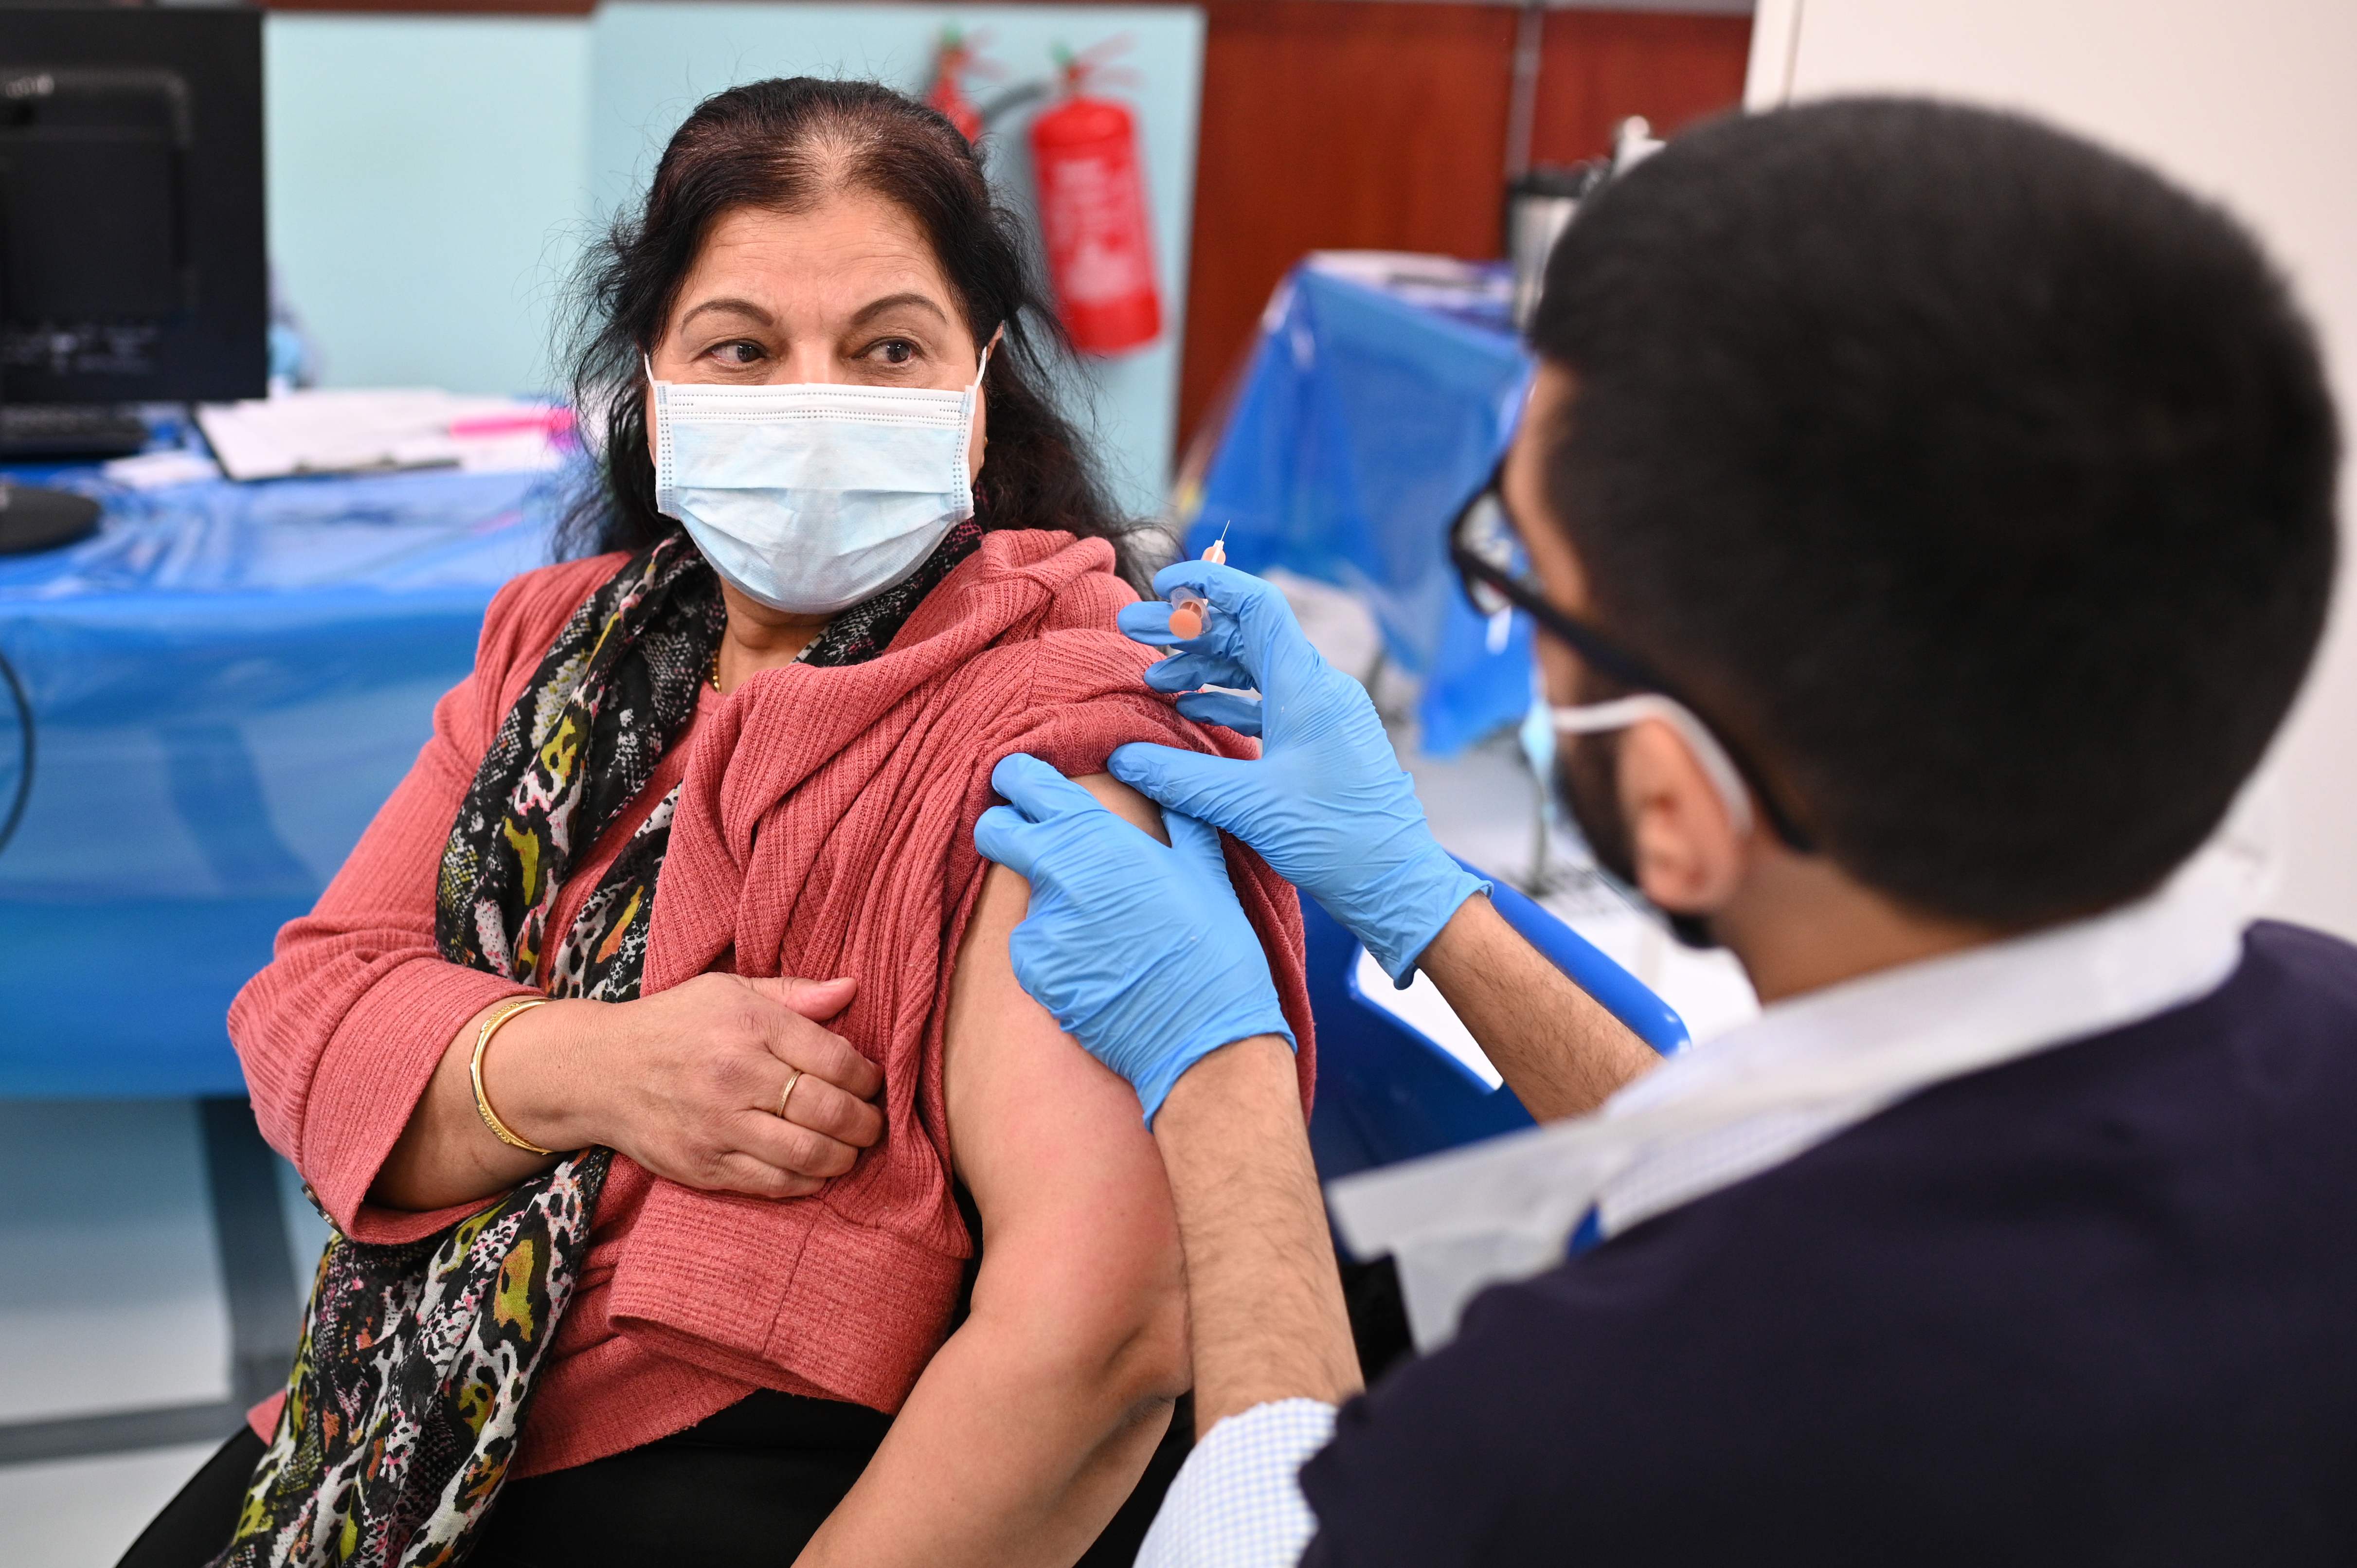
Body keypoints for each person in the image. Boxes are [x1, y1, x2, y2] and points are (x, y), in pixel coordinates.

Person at [976, 98, 2356, 1564]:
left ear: (1678, 795)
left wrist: (1225, 1081)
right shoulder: (2321, 1019)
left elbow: (1280, 1539)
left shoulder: (1578, 1452)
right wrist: (1423, 900)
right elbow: (1785, 1168)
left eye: (1525, 570)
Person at [121, 78, 1314, 1568]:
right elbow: (308, 1022)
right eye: (743, 349)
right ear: (654, 385)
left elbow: (1100, 1337)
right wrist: (610, 1070)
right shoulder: (565, 655)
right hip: (432, 1374)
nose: (815, 404)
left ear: (979, 383)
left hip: (792, 1451)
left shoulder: (1053, 741)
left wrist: (480, 1064)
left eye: (888, 349)